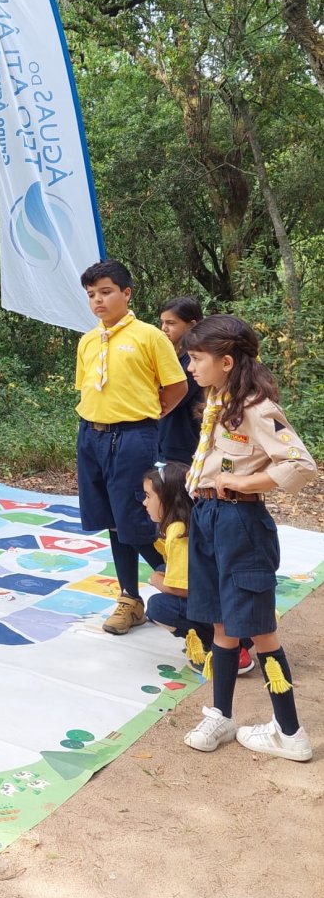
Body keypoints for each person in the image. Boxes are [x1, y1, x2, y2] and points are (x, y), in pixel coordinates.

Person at [181, 315, 317, 761]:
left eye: (196, 358)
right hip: (208, 517)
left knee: (259, 630)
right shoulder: (219, 399)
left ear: (225, 361)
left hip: (240, 524)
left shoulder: (257, 408)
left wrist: (243, 482)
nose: (190, 367)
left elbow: (300, 465)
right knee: (221, 623)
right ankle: (221, 715)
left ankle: (290, 732)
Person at [75, 260, 188, 635]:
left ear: (126, 293)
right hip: (91, 435)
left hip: (132, 436)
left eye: (106, 292)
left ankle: (182, 582)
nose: (98, 300)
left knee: (133, 519)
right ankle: (129, 599)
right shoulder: (88, 341)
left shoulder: (149, 336)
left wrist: (154, 414)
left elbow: (177, 385)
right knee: (110, 518)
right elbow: (89, 387)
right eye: (92, 294)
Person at [143, 461, 255, 674]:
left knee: (158, 606)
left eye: (148, 496)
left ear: (167, 499)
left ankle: (225, 648)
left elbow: (185, 589)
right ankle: (236, 637)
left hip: (227, 610)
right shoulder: (198, 517)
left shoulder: (178, 531)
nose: (144, 503)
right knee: (164, 570)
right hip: (243, 604)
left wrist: (156, 580)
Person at [158, 296, 204, 464]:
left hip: (184, 446)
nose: (164, 328)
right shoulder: (172, 356)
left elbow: (169, 398)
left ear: (191, 325)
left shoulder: (195, 361)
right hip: (164, 441)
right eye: (162, 323)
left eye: (171, 323)